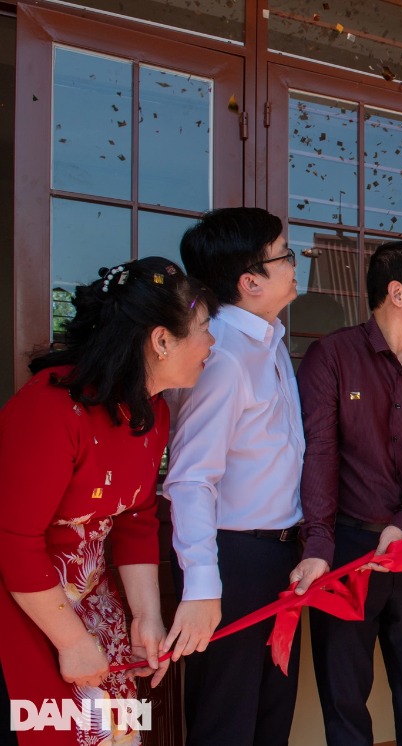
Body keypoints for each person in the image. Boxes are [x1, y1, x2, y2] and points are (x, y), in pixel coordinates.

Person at [0, 257, 216, 745]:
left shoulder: (152, 411)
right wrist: (72, 643)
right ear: (161, 341)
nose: (211, 345)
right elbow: (14, 542)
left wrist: (146, 618)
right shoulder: (49, 409)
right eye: (204, 330)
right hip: (29, 611)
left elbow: (138, 518)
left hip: (95, 608)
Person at [290, 240, 402, 746]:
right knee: (344, 696)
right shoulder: (332, 356)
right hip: (346, 550)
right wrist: (319, 544)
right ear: (397, 293)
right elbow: (317, 452)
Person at [161, 208, 305, 745]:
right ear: (250, 282)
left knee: (271, 714)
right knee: (227, 718)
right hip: (234, 559)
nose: (296, 263)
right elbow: (191, 477)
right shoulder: (220, 354)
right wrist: (202, 585)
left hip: (278, 555)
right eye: (285, 255)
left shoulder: (267, 339)